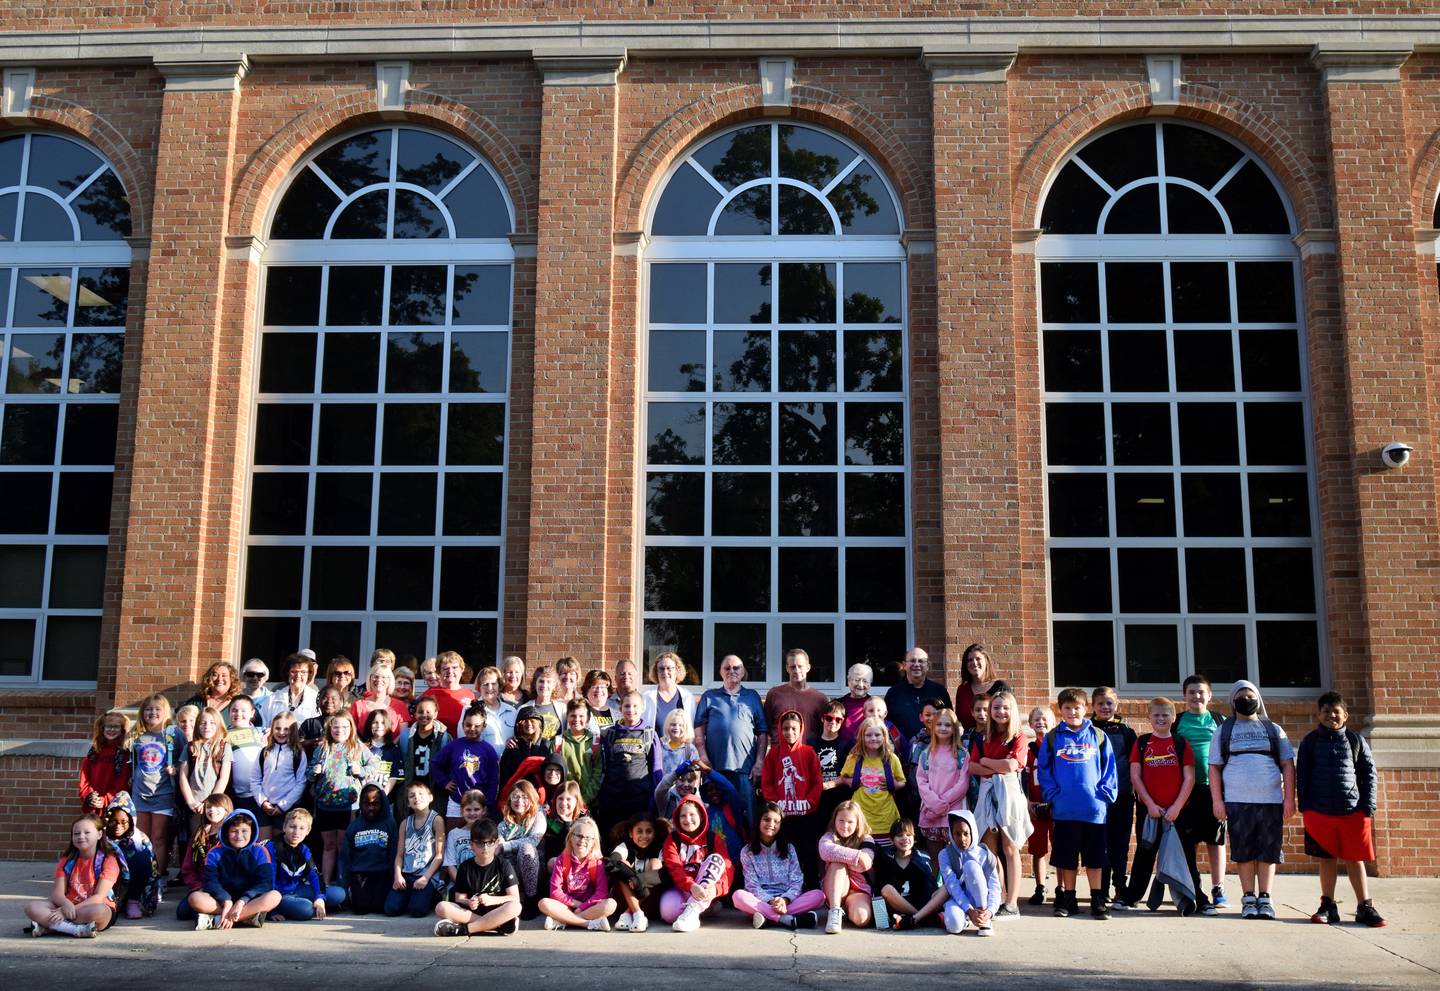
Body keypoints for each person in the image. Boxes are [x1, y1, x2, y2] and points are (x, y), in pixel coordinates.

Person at [1210, 680, 1295, 921]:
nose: (1246, 701)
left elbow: (1288, 765)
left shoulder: (1273, 729)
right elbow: (1214, 767)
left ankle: (1265, 898)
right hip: (1237, 801)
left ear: (1258, 699)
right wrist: (1217, 801)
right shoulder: (1224, 730)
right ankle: (1248, 898)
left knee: (1268, 852)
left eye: (1250, 696)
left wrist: (1289, 798)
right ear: (1232, 701)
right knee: (1244, 852)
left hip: (1270, 800)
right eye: (1241, 697)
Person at [1298, 692, 1385, 927]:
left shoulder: (1356, 741)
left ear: (1345, 715)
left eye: (1336, 711)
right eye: (1326, 711)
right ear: (1319, 715)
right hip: (1319, 812)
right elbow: (1302, 775)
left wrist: (1368, 806)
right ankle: (1328, 906)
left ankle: (1365, 906)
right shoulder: (1310, 742)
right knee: (1326, 859)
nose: (1331, 715)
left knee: (1355, 859)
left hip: (1352, 811)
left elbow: (1369, 774)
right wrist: (1304, 805)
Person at [1036, 687, 1118, 920]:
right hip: (1064, 811)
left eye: (1077, 707)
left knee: (1095, 859)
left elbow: (1110, 769)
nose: (1073, 712)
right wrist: (1052, 794)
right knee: (1067, 858)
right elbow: (1044, 770)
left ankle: (1098, 899)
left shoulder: (1099, 737)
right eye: (1067, 708)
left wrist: (1103, 794)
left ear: (1086, 708)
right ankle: (1068, 899)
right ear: (1060, 710)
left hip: (1093, 810)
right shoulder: (1053, 738)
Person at [1115, 697, 1195, 912]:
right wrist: (1149, 804)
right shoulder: (1142, 743)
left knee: (1185, 855)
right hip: (1149, 812)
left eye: (1165, 714)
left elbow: (1189, 778)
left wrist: (1177, 807)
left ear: (1173, 717)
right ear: (1149, 717)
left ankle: (1193, 897)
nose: (1161, 718)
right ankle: (1131, 897)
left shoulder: (1180, 743)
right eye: (1156, 715)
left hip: (1178, 812)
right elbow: (1135, 776)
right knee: (1144, 855)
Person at [969, 689, 1031, 916]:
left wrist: (986, 761)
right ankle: (994, 897)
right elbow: (972, 767)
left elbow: (1012, 766)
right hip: (987, 792)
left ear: (1012, 710)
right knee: (988, 848)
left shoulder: (1019, 737)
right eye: (996, 707)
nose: (1000, 711)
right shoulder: (981, 736)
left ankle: (1012, 902)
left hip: (1010, 792)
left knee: (1010, 846)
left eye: (1005, 707)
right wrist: (995, 764)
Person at [1174, 673, 1228, 913]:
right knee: (1190, 841)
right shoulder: (1177, 722)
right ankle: (1191, 886)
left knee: (1215, 841)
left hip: (1213, 790)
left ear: (1209, 695)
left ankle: (1218, 888)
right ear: (1184, 696)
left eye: (1201, 691)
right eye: (1191, 692)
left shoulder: (1220, 720)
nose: (1196, 696)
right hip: (1185, 791)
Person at [694, 655, 769, 825]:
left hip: (745, 770)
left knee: (748, 818)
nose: (732, 671)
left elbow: (762, 733)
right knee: (719, 820)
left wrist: (759, 763)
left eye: (736, 668)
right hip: (715, 769)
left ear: (743, 672)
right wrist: (703, 757)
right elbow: (698, 730)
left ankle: (749, 851)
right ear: (720, 672)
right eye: (727, 668)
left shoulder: (752, 696)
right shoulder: (709, 696)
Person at [311, 711, 380, 884]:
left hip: (350, 805)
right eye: (335, 726)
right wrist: (314, 772)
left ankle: (344, 885)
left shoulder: (357, 747)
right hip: (325, 805)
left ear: (351, 728)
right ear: (329, 728)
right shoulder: (322, 748)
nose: (339, 730)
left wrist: (361, 771)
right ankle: (325, 885)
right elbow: (309, 772)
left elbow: (374, 765)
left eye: (344, 726)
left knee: (344, 846)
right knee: (328, 846)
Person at [24, 816, 120, 938]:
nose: (81, 836)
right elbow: (57, 894)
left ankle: (51, 927)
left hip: (91, 908)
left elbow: (99, 896)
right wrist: (66, 905)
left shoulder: (108, 860)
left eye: (87, 832)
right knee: (32, 908)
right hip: (68, 905)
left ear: (99, 834)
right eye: (76, 833)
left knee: (98, 911)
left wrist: (66, 912)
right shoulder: (67, 860)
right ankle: (75, 929)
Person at [733, 801, 824, 929]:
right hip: (760, 901)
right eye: (766, 820)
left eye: (776, 821)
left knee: (819, 896)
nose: (771, 824)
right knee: (738, 897)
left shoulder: (789, 848)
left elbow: (797, 880)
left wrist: (784, 900)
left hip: (787, 900)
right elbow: (752, 885)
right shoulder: (747, 851)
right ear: (758, 821)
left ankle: (767, 918)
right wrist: (771, 901)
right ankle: (788, 920)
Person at [187, 809, 280, 930]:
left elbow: (265, 883)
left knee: (275, 896)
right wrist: (226, 900)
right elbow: (210, 882)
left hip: (249, 899)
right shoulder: (215, 852)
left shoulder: (260, 851)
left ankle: (218, 920)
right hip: (221, 899)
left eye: (244, 831)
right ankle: (247, 918)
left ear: (252, 832)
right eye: (234, 831)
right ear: (226, 833)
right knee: (194, 899)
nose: (239, 836)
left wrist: (243, 900)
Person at [760, 709, 824, 885]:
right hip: (782, 817)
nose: (790, 733)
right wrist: (775, 804)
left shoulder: (809, 752)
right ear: (780, 730)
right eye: (786, 728)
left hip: (806, 816)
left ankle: (811, 887)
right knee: (783, 852)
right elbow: (767, 782)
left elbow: (817, 782)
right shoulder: (773, 754)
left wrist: (809, 803)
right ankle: (785, 888)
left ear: (801, 729)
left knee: (808, 851)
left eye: (794, 729)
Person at [432, 818, 522, 937]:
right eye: (480, 843)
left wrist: (492, 899)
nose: (485, 848)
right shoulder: (465, 867)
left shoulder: (504, 865)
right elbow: (459, 898)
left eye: (489, 842)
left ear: (496, 843)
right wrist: (468, 902)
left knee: (516, 907)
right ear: (471, 845)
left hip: (496, 910)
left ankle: (464, 929)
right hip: (472, 912)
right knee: (441, 907)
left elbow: (514, 897)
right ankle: (497, 925)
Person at [1090, 686, 1138, 904]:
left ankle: (1120, 886)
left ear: (1116, 705)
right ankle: (1102, 889)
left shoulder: (1126, 732)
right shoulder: (1087, 729)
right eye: (1100, 703)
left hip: (1123, 796)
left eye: (1109, 703)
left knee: (1120, 843)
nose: (1105, 707)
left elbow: (1134, 764)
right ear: (1093, 706)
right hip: (1096, 797)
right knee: (1101, 842)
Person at [594, 690, 662, 840]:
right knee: (611, 837)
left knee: (637, 838)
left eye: (635, 706)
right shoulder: (610, 733)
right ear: (620, 709)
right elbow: (603, 765)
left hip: (639, 799)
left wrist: (654, 798)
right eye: (627, 706)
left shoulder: (649, 734)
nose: (631, 710)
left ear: (643, 708)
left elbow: (657, 770)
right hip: (613, 798)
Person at [660, 795, 733, 932]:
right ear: (677, 818)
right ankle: (704, 908)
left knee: (717, 859)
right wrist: (691, 886)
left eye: (692, 814)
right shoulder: (672, 839)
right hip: (683, 888)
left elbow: (728, 868)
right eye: (683, 816)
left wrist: (717, 889)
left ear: (701, 816)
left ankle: (693, 911)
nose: (688, 819)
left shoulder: (713, 837)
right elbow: (675, 868)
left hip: (706, 888)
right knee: (668, 914)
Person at [129, 694, 179, 881]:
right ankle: (143, 877)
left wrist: (176, 769)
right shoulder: (136, 735)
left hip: (163, 793)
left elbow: (185, 759)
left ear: (165, 712)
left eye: (157, 709)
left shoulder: (173, 734)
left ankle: (158, 878)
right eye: (149, 709)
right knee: (142, 838)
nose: (153, 712)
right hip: (139, 793)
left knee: (159, 837)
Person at [539, 817, 617, 930]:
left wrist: (583, 907)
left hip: (590, 907)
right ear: (571, 837)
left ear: (593, 842)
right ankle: (589, 924)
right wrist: (577, 905)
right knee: (543, 903)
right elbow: (555, 892)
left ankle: (563, 921)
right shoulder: (562, 859)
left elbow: (601, 893)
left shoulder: (597, 863)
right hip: (567, 906)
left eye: (588, 838)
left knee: (610, 904)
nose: (582, 841)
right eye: (579, 836)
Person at [840, 716, 906, 845]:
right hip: (860, 816)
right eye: (868, 735)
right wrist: (849, 781)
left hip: (886, 818)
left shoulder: (891, 759)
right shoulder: (853, 759)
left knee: (885, 856)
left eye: (877, 735)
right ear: (861, 737)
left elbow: (902, 782)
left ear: (884, 736)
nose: (873, 738)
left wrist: (892, 784)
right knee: (864, 856)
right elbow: (844, 776)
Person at [330, 785, 396, 914]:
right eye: (367, 804)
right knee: (361, 909)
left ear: (382, 804)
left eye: (375, 803)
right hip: (360, 874)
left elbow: (394, 853)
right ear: (360, 804)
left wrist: (394, 879)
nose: (371, 807)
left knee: (379, 908)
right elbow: (344, 859)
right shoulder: (354, 826)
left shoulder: (390, 823)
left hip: (382, 874)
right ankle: (352, 893)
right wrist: (343, 885)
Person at [915, 707, 969, 860]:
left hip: (954, 815)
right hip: (930, 815)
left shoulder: (961, 754)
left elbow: (962, 784)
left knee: (956, 860)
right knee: (935, 860)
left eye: (947, 725)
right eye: (939, 724)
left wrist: (942, 804)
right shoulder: (926, 754)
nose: (943, 728)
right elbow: (922, 782)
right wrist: (934, 804)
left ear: (954, 728)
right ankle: (938, 886)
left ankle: (953, 885)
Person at [816, 800, 878, 934]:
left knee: (861, 919)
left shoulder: (866, 839)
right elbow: (825, 851)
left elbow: (864, 864)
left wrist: (844, 855)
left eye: (850, 822)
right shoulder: (829, 836)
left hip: (858, 890)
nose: (845, 826)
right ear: (835, 820)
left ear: (857, 824)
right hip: (835, 888)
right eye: (841, 820)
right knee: (838, 863)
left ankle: (848, 910)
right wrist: (857, 856)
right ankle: (835, 911)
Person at [937, 808, 1001, 936]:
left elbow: (995, 887)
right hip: (958, 900)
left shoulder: (984, 855)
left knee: (971, 866)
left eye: (966, 833)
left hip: (982, 903)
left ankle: (983, 920)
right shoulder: (945, 854)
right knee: (954, 926)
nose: (962, 838)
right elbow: (952, 885)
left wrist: (990, 911)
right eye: (957, 833)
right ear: (951, 834)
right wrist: (968, 910)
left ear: (973, 832)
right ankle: (966, 919)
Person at [386, 779, 444, 917]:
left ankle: (431, 895)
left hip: (426, 874)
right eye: (412, 796)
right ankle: (409, 896)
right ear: (408, 802)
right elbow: (400, 855)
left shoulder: (436, 820)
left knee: (417, 911)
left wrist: (426, 877)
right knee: (391, 909)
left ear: (430, 797)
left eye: (420, 794)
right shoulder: (405, 823)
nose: (416, 797)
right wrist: (398, 875)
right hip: (407, 874)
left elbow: (439, 855)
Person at [876, 818, 945, 930]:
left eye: (908, 835)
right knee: (886, 889)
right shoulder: (886, 857)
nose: (905, 838)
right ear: (892, 840)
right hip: (898, 906)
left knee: (945, 889)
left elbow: (931, 888)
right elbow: (881, 889)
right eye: (899, 835)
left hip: (922, 903)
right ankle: (920, 918)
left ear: (914, 838)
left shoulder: (923, 857)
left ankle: (914, 919)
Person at [433, 707, 500, 818]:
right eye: (468, 725)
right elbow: (436, 763)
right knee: (453, 834)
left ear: (484, 726)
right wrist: (444, 782)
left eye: (477, 726)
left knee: (479, 834)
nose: (472, 729)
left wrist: (489, 802)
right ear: (463, 724)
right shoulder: (454, 745)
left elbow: (494, 779)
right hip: (456, 801)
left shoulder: (489, 750)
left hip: (479, 803)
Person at [606, 812, 667, 932]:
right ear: (630, 833)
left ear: (654, 833)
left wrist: (639, 880)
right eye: (639, 831)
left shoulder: (660, 848)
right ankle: (637, 913)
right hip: (623, 901)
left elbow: (663, 874)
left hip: (650, 902)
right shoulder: (624, 846)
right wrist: (632, 878)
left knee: (655, 863)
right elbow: (613, 861)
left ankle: (630, 912)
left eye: (649, 831)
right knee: (623, 865)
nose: (644, 836)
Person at [264, 808, 327, 921]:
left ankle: (314, 905)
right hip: (279, 895)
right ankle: (293, 906)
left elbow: (314, 876)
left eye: (302, 828)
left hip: (297, 889)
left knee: (339, 894)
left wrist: (320, 898)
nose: (296, 832)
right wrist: (271, 911)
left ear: (308, 831)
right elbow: (268, 880)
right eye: (292, 827)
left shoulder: (304, 849)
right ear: (284, 827)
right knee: (307, 910)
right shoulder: (273, 848)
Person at [103, 793, 159, 919]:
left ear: (132, 821)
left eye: (124, 822)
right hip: (109, 884)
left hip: (132, 884)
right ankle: (109, 902)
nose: (118, 826)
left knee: (143, 859)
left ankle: (132, 902)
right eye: (114, 822)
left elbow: (152, 870)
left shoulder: (140, 839)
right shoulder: (101, 837)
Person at [764, 648, 833, 746]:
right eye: (792, 667)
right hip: (780, 756)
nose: (796, 670)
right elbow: (765, 729)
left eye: (800, 666)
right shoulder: (775, 694)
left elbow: (825, 733)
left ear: (808, 667)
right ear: (787, 668)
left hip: (807, 756)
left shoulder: (820, 699)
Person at [178, 708, 231, 834]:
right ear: (197, 725)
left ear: (218, 725)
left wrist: (210, 802)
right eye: (203, 723)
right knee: (195, 840)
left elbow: (224, 778)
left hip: (215, 806)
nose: (207, 726)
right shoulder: (190, 747)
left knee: (213, 838)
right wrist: (191, 801)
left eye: (212, 723)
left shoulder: (224, 747)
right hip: (195, 806)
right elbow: (183, 776)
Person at [1023, 705, 1056, 904]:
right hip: (1036, 804)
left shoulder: (1058, 747)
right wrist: (1027, 802)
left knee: (1060, 847)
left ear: (1053, 723)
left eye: (1044, 719)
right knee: (1038, 849)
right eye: (1036, 719)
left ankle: (1061, 887)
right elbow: (1024, 779)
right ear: (1030, 724)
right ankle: (1040, 887)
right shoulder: (1028, 750)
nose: (1040, 722)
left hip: (1055, 804)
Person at [178, 794, 233, 905]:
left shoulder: (233, 834)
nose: (212, 810)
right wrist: (197, 886)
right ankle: (218, 913)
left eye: (217, 807)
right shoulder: (199, 834)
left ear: (227, 809)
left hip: (226, 887)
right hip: (203, 887)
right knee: (183, 910)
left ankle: (223, 913)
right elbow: (187, 867)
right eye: (208, 807)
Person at [884, 647, 949, 741]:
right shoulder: (893, 693)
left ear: (927, 666)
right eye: (912, 661)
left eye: (921, 661)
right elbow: (886, 725)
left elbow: (949, 721)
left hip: (935, 750)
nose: (917, 664)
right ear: (904, 665)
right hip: (902, 753)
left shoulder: (940, 691)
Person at [398, 696, 451, 811]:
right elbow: (403, 759)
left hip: (434, 788)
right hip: (413, 787)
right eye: (420, 712)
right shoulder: (406, 736)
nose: (424, 715)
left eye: (428, 712)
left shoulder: (443, 737)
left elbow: (448, 764)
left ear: (436, 714)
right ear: (415, 714)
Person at [498, 780, 546, 903]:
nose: (519, 801)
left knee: (526, 848)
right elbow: (499, 846)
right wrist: (500, 846)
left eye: (525, 797)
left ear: (532, 799)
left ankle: (531, 899)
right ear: (509, 799)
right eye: (515, 796)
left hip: (535, 871)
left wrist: (505, 846)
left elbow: (533, 840)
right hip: (511, 874)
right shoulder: (503, 824)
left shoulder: (539, 816)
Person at [79, 711, 131, 815]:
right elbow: (84, 778)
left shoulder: (124, 754)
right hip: (93, 804)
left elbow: (123, 783)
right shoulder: (94, 752)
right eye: (108, 726)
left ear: (122, 730)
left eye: (116, 727)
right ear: (102, 728)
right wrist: (90, 796)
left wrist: (105, 800)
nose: (111, 730)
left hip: (114, 806)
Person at [556, 698, 603, 809]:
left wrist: (584, 800)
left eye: (581, 716)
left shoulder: (595, 742)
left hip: (589, 803)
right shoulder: (558, 742)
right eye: (573, 716)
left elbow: (598, 773)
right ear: (567, 717)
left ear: (588, 718)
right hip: (564, 804)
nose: (577, 719)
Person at [418, 651, 476, 735]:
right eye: (445, 668)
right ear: (439, 672)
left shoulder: (469, 695)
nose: (450, 671)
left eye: (455, 667)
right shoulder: (429, 695)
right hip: (437, 743)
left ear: (462, 670)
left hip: (462, 743)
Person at [226, 695, 265, 815]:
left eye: (243, 711)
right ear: (229, 712)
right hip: (235, 796)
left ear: (252, 713)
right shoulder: (224, 735)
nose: (238, 714)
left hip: (260, 794)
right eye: (234, 710)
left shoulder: (261, 732)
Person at [641, 651, 699, 732]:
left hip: (682, 745)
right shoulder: (646, 697)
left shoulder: (688, 697)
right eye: (661, 669)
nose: (665, 672)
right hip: (655, 745)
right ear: (656, 672)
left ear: (677, 670)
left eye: (669, 668)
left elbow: (692, 729)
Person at [814, 700, 851, 825]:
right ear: (822, 718)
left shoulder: (847, 745)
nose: (833, 722)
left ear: (843, 721)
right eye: (829, 718)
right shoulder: (811, 743)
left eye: (838, 719)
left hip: (838, 797)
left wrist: (832, 783)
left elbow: (849, 773)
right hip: (816, 798)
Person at [442, 789, 489, 885]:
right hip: (458, 884)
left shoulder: (490, 832)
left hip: (483, 885)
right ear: (462, 811)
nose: (472, 813)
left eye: (476, 809)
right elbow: (450, 864)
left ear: (483, 811)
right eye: (468, 809)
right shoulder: (454, 834)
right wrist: (462, 885)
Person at [350, 666, 411, 738]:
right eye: (375, 676)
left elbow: (403, 735)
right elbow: (352, 733)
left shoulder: (400, 706)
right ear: (369, 680)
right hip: (363, 748)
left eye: (384, 677)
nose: (379, 679)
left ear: (389, 681)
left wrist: (390, 747)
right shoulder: (358, 705)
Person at [953, 643, 1000, 732]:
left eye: (978, 659)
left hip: (995, 741)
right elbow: (959, 718)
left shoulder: (1000, 687)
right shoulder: (962, 690)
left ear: (986, 661)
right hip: (969, 742)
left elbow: (1012, 719)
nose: (974, 663)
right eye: (970, 660)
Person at [261, 657, 320, 726]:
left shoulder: (315, 698)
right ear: (287, 673)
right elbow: (264, 725)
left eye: (303, 672)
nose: (298, 676)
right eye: (294, 672)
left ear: (308, 675)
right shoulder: (273, 699)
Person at [473, 665, 518, 756]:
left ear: (499, 686)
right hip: (484, 765)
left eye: (493, 683)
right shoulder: (471, 711)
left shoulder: (512, 711)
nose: (490, 688)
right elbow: (466, 741)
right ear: (479, 687)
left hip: (509, 766)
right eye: (485, 684)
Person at [185, 662, 243, 727]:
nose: (219, 679)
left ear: (232, 679)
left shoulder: (238, 704)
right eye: (215, 675)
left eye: (224, 675)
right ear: (208, 679)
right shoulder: (196, 702)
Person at [362, 709, 404, 798]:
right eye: (375, 722)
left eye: (382, 723)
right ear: (369, 724)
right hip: (365, 798)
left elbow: (394, 776)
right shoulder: (362, 748)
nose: (379, 726)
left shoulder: (393, 749)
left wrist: (383, 794)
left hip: (386, 798)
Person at [835, 663, 874, 751]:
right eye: (857, 680)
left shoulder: (875, 706)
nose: (860, 685)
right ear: (848, 681)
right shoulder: (837, 704)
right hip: (841, 753)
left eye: (865, 681)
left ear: (870, 684)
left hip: (867, 754)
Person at [659, 707, 701, 778]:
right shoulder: (660, 746)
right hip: (662, 787)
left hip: (683, 787)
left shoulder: (690, 749)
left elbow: (696, 773)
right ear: (667, 726)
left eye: (680, 725)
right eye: (673, 724)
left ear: (686, 727)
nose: (676, 728)